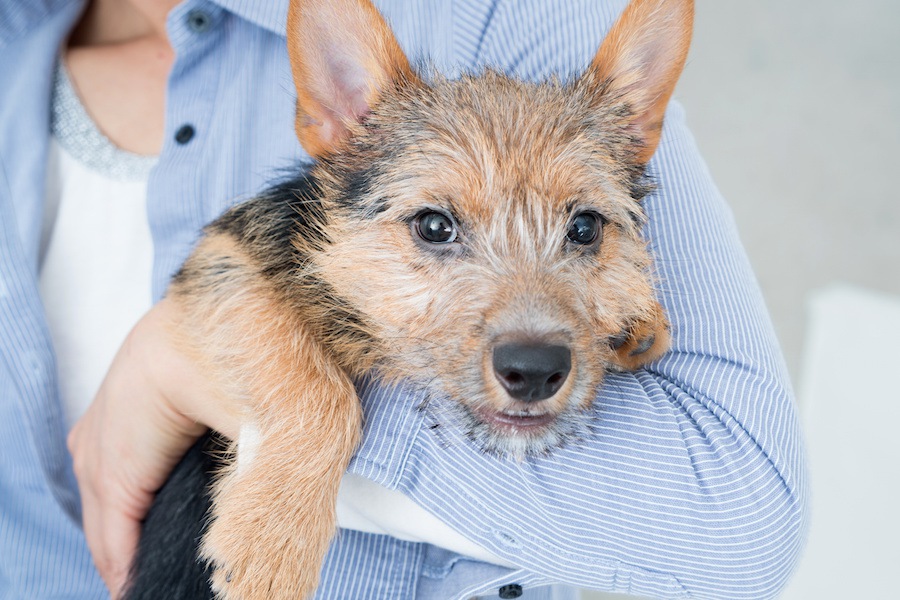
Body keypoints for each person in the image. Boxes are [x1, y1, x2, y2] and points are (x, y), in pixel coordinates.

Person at [0, 0, 808, 598]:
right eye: (434, 226)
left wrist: (205, 376)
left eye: (584, 228)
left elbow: (741, 523)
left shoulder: (501, 15)